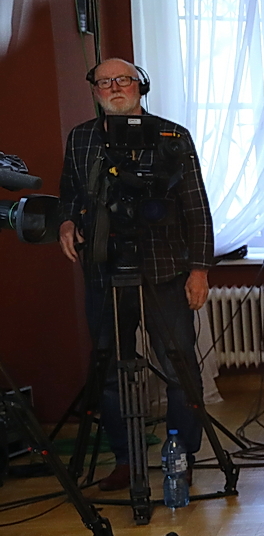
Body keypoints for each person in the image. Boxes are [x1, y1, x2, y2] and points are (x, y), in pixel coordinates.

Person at [58, 58, 214, 491]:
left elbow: (196, 207)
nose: (114, 88)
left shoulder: (171, 136)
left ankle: (180, 455)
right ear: (95, 91)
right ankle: (126, 459)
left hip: (165, 269)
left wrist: (199, 269)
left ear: (140, 85)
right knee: (109, 371)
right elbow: (69, 192)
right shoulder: (82, 139)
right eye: (104, 82)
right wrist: (67, 221)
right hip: (104, 271)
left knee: (179, 366)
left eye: (123, 80)